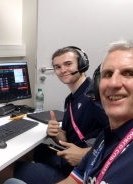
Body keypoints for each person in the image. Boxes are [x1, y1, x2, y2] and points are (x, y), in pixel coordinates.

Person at [0, 46, 109, 184]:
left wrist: (85, 154)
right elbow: (67, 139)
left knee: (4, 169)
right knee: (27, 152)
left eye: (68, 64)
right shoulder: (72, 99)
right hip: (69, 159)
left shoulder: (95, 96)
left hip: (82, 170)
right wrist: (56, 132)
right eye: (57, 67)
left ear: (82, 64)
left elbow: (120, 141)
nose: (63, 70)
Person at [58, 39, 133, 184]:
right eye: (108, 74)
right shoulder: (104, 138)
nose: (113, 83)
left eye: (129, 73)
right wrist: (57, 134)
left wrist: (81, 153)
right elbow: (74, 180)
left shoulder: (91, 102)